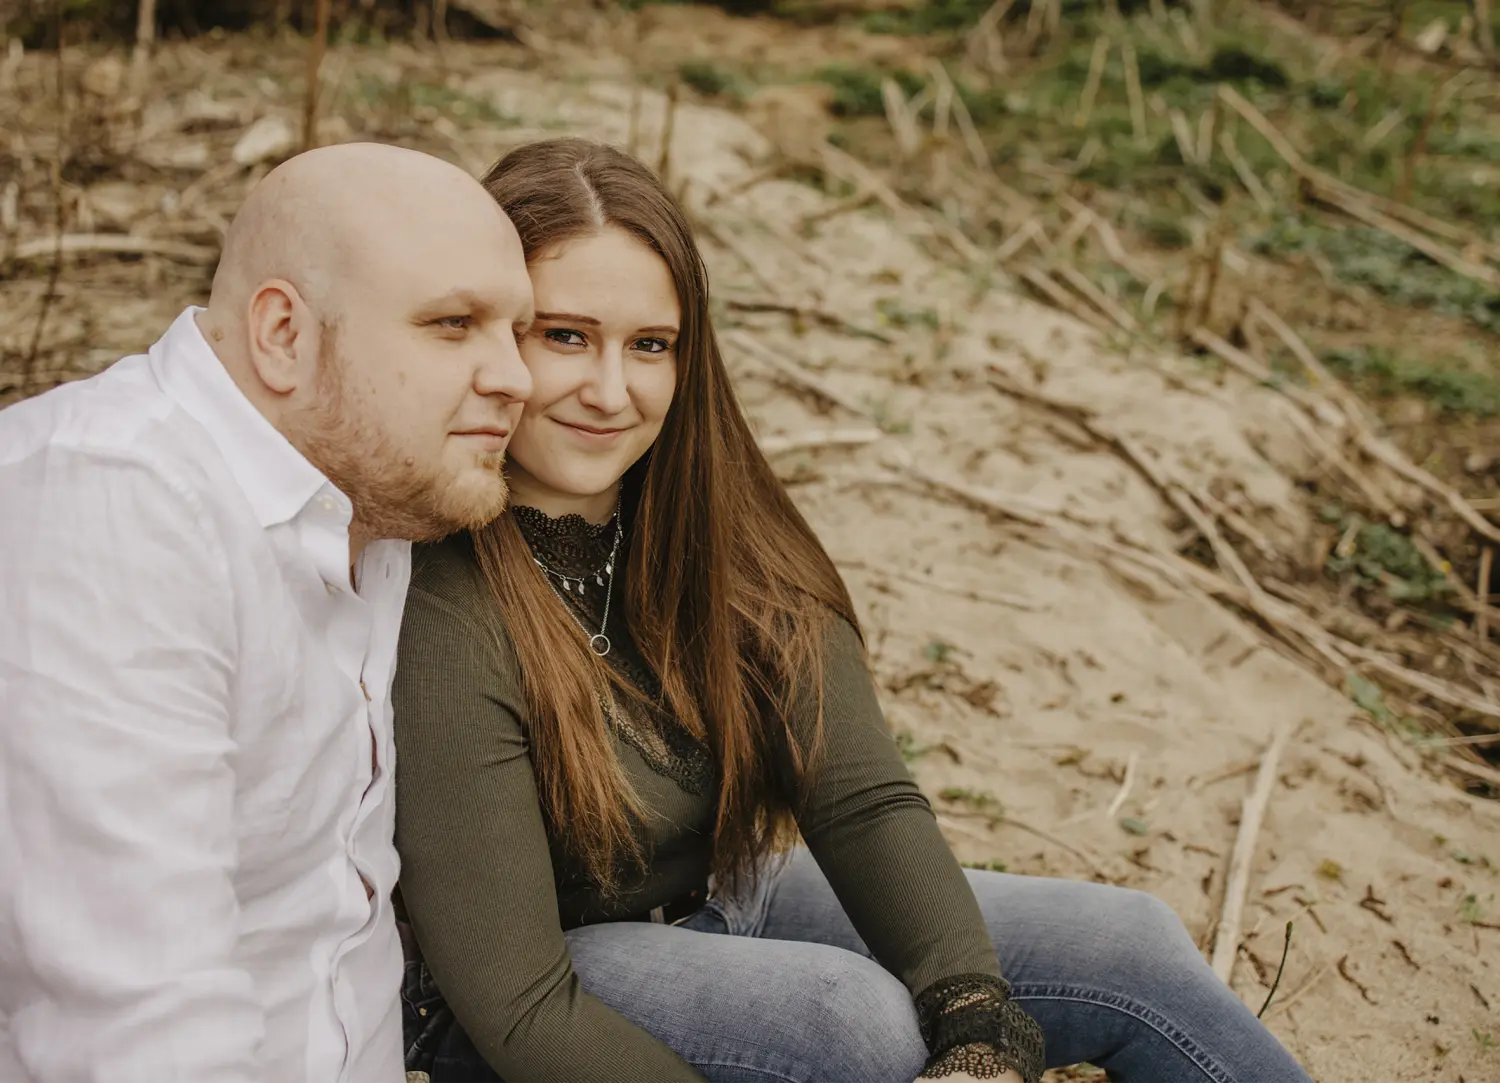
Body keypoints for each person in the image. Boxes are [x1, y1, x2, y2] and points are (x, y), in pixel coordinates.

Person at [391, 138, 1316, 1083]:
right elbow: (519, 1008)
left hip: (720, 899)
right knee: (851, 1020)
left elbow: (862, 797)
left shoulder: (709, 525)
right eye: (566, 336)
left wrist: (976, 1018)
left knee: (1129, 944)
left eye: (650, 345)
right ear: (492, 334)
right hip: (534, 995)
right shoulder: (441, 594)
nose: (611, 391)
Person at [0, 142, 535, 1082]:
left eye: (518, 330)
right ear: (284, 334)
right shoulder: (108, 510)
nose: (515, 377)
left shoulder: (371, 492)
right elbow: (141, 1028)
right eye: (453, 325)